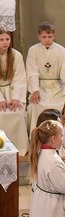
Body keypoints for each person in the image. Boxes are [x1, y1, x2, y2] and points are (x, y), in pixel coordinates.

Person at [26, 21, 65, 134]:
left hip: (57, 88)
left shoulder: (61, 51)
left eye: (49, 36)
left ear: (54, 36)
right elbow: (32, 71)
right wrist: (35, 90)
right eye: (44, 37)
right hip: (40, 87)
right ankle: (36, 136)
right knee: (35, 105)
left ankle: (62, 136)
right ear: (38, 37)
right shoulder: (33, 50)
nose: (47, 40)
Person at [0, 26, 28, 156]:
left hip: (13, 94)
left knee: (18, 114)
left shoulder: (16, 55)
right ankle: (2, 147)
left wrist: (16, 98)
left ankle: (19, 147)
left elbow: (20, 79)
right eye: (1, 40)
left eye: (7, 39)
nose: (5, 42)